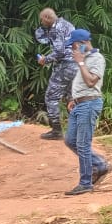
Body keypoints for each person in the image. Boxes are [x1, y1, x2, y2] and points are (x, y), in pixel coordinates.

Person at [62, 29, 112, 196]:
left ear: (82, 44)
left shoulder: (97, 58)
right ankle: (99, 164)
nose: (73, 50)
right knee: (70, 140)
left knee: (83, 144)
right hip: (79, 104)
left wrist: (81, 62)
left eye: (74, 46)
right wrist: (73, 99)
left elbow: (91, 82)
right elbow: (81, 83)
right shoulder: (82, 60)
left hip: (90, 103)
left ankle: (85, 183)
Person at [34, 8, 78, 140]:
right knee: (72, 98)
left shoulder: (56, 29)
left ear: (47, 17)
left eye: (42, 20)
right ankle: (76, 131)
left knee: (51, 97)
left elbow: (60, 52)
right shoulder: (68, 24)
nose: (42, 22)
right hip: (77, 64)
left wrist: (44, 60)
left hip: (64, 66)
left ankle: (57, 131)